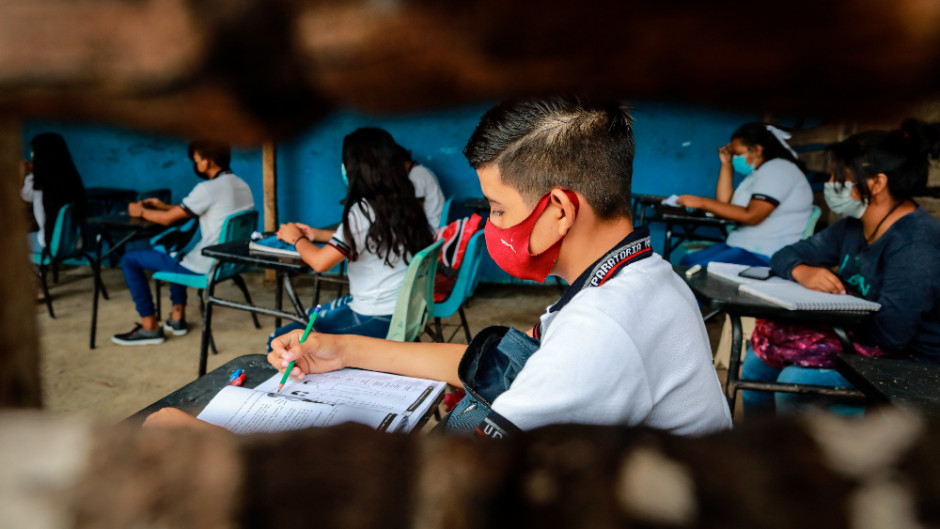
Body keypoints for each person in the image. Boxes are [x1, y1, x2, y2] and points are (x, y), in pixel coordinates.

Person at [147, 96, 732, 436]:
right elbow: (500, 368)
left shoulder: (604, 328)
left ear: (557, 209)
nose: (491, 227)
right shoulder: (635, 276)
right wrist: (345, 349)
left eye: (499, 209)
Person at [741, 120, 940, 416]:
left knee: (797, 382)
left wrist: (818, 325)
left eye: (841, 175)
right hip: (860, 344)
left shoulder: (916, 242)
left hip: (911, 364)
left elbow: (892, 335)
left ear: (876, 183)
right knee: (757, 363)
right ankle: (758, 456)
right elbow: (784, 255)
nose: (832, 183)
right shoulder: (852, 227)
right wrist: (802, 271)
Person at [268, 127, 435, 343]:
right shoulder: (405, 201)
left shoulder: (362, 211)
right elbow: (372, 237)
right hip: (404, 312)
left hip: (375, 317)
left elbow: (320, 263)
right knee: (316, 314)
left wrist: (295, 237)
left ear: (357, 167)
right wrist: (316, 234)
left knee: (279, 340)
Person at [111, 140, 254, 346]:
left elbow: (168, 219)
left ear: (205, 162)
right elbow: (193, 210)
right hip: (231, 262)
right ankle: (177, 319)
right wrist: (164, 206)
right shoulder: (241, 185)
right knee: (178, 253)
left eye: (196, 160)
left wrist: (140, 211)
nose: (196, 165)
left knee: (129, 259)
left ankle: (149, 327)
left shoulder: (208, 188)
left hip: (206, 266)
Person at [677, 123, 813, 266]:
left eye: (737, 153)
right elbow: (725, 205)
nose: (735, 157)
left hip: (766, 252)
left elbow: (752, 216)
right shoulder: (757, 174)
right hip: (743, 244)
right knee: (687, 262)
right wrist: (726, 164)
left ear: (757, 150)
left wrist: (701, 202)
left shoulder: (779, 169)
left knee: (695, 270)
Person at [20, 132, 87, 253]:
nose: (32, 154)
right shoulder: (71, 177)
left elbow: (25, 196)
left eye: (34, 151)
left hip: (49, 242)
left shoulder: (39, 185)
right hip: (75, 241)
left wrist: (30, 173)